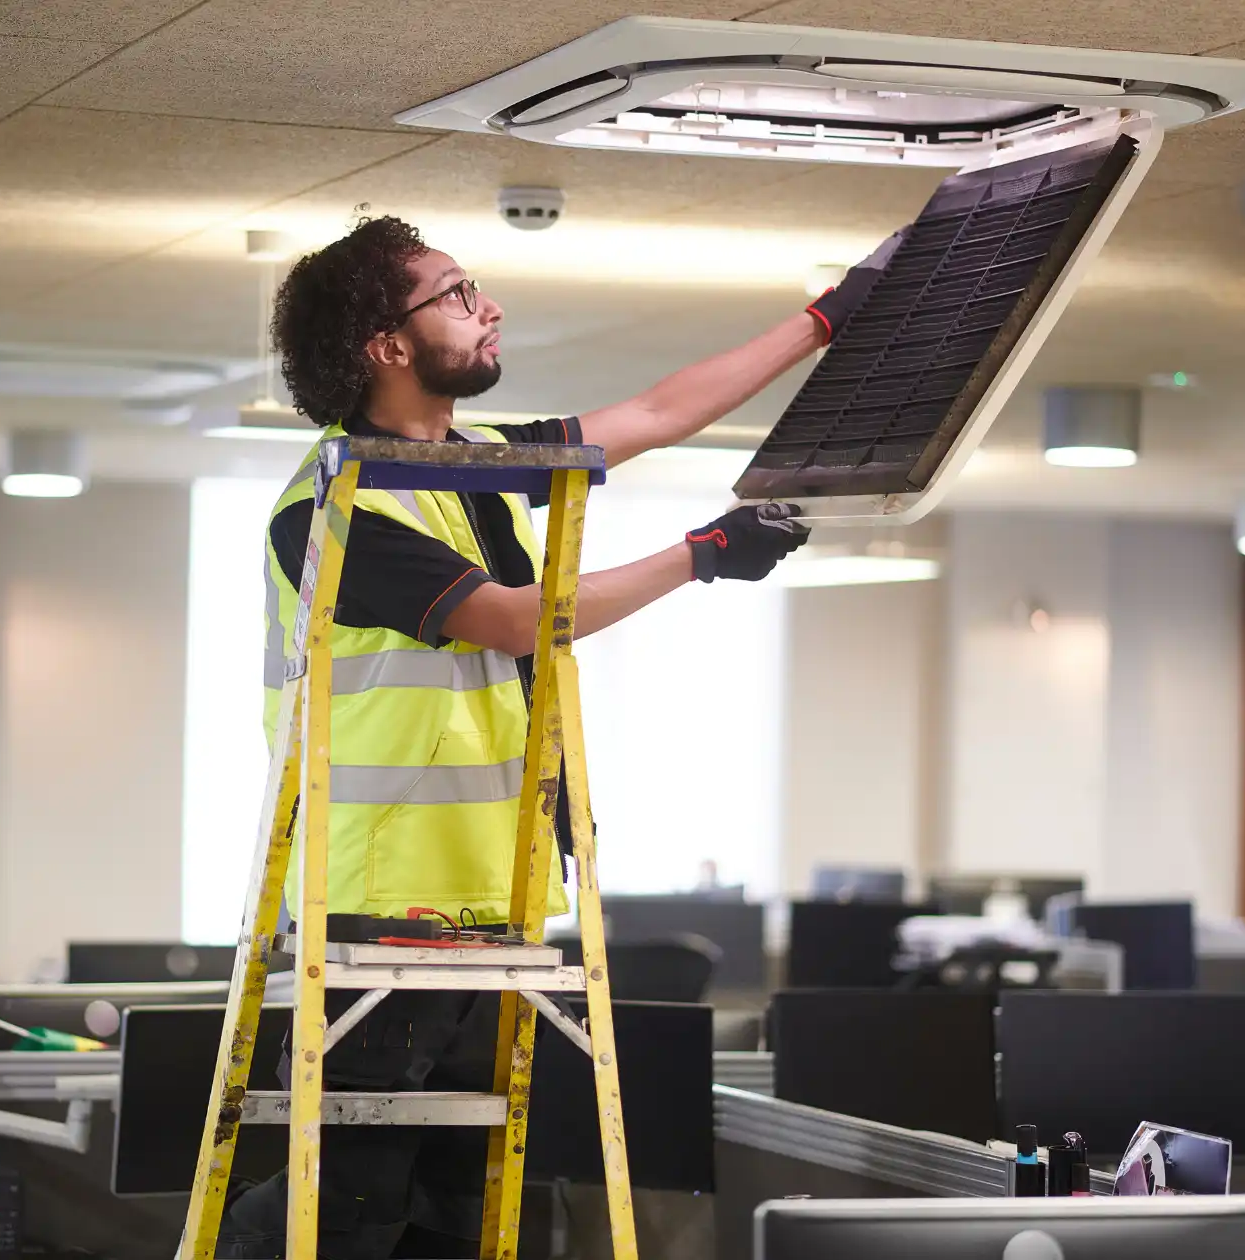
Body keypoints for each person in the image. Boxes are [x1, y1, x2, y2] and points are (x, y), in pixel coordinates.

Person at [216, 215, 894, 1258]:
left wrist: (819, 323)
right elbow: (513, 616)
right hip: (372, 909)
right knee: (350, 1214)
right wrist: (699, 555)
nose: (488, 309)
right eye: (456, 293)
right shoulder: (326, 509)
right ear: (386, 347)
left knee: (456, 1216)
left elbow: (660, 411)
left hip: (492, 907)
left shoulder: (474, 465)